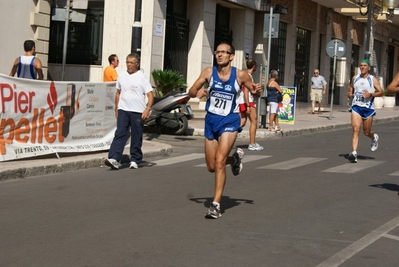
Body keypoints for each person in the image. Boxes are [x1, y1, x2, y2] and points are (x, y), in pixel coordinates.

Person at [188, 42, 259, 219]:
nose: (219, 55)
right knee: (212, 166)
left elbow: (254, 91)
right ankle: (235, 159)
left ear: (231, 56)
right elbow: (191, 90)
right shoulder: (208, 72)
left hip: (230, 120)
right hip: (211, 120)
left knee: (219, 161)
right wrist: (196, 92)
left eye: (223, 52)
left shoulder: (240, 75)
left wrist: (258, 90)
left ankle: (216, 205)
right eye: (217, 52)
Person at [105, 53, 154, 170]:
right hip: (124, 110)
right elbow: (118, 93)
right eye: (127, 62)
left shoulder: (142, 77)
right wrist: (116, 108)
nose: (129, 65)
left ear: (137, 65)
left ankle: (135, 159)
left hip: (138, 111)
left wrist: (147, 109)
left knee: (136, 135)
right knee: (120, 133)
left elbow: (151, 95)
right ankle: (114, 158)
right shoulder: (121, 76)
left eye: (131, 63)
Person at [347, 59, 383, 163]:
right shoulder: (355, 78)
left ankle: (373, 137)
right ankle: (354, 153)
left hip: (368, 108)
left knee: (366, 132)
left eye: (365, 65)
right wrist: (349, 93)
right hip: (356, 107)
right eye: (361, 65)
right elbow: (350, 88)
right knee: (355, 129)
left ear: (369, 68)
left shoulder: (373, 79)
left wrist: (370, 94)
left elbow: (381, 92)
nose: (362, 67)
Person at [238, 58, 263, 151]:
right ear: (254, 66)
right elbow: (245, 91)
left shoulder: (244, 75)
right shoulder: (248, 76)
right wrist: (248, 105)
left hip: (241, 101)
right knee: (254, 121)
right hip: (248, 101)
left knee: (242, 122)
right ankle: (252, 144)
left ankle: (226, 135)